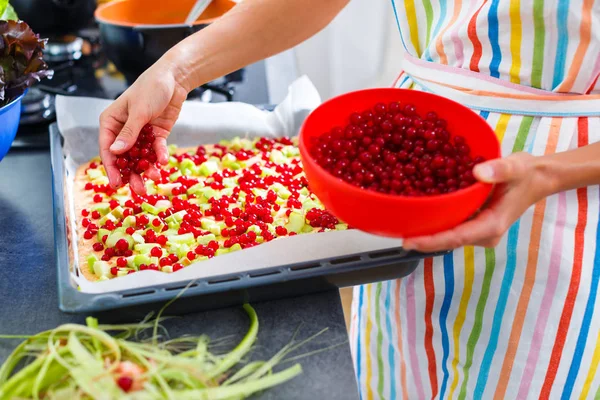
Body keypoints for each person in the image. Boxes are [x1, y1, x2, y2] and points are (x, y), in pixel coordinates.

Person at [99, 0, 600, 398]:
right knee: (395, 372)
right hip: (393, 182)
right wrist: (178, 68)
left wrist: (550, 170)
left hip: (551, 198)